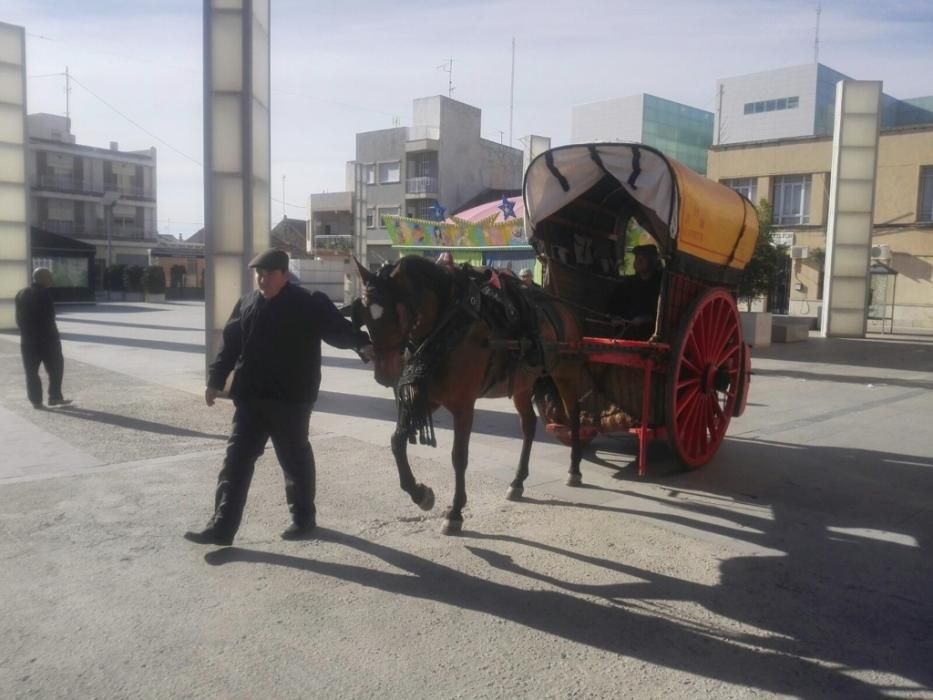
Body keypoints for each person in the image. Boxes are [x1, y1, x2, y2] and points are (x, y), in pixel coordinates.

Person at [184, 249, 373, 546]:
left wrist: (363, 345)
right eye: (259, 274)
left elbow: (337, 331)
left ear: (284, 274)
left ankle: (303, 518)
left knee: (294, 461)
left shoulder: (307, 302)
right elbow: (230, 347)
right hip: (250, 399)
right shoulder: (246, 303)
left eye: (269, 274)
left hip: (291, 400)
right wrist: (215, 381)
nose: (262, 279)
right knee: (235, 462)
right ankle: (221, 527)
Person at [15, 268, 71, 409]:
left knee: (31, 372)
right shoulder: (44, 294)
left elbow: (18, 317)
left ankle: (36, 401)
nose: (51, 279)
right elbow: (49, 318)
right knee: (56, 369)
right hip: (47, 340)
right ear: (43, 278)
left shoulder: (21, 293)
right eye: (49, 277)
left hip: (27, 340)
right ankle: (55, 396)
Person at [607, 244, 663, 338]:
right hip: (625, 332)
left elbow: (661, 314)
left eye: (643, 257)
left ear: (652, 261)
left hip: (649, 335)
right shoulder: (627, 283)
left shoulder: (660, 285)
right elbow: (613, 305)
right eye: (637, 257)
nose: (638, 260)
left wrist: (645, 319)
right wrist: (614, 318)